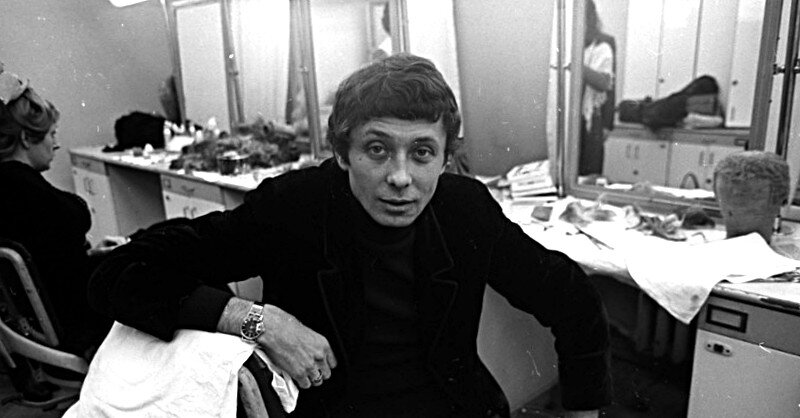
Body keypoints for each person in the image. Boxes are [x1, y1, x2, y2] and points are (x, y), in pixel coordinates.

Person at [88, 53, 611, 417]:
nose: (400, 177)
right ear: (342, 153)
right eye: (377, 150)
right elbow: (120, 271)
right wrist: (258, 320)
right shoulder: (295, 206)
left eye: (422, 153)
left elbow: (573, 299)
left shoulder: (464, 209)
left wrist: (583, 412)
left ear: (445, 158)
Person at [0, 65, 123, 398]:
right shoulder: (27, 192)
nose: (56, 144)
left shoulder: (11, 187)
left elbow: (50, 258)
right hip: (80, 321)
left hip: (46, 317)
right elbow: (68, 265)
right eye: (51, 134)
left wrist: (93, 253)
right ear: (26, 138)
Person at [578, 0, 615, 177]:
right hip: (569, 117)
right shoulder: (564, 42)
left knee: (589, 171)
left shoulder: (603, 44)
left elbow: (607, 84)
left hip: (591, 118)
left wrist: (608, 124)